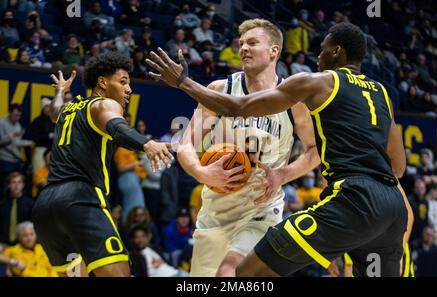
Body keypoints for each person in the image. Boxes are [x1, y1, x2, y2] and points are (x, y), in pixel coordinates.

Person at [147, 22, 410, 276]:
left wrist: (183, 82)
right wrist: (202, 172)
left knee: (237, 273)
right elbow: (398, 167)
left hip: (287, 205)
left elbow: (239, 109)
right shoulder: (382, 93)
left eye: (322, 48)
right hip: (389, 206)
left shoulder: (312, 85)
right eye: (241, 44)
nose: (317, 56)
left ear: (336, 51)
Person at [174, 19, 319, 277]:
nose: (243, 49)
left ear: (274, 50)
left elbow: (314, 151)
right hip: (216, 212)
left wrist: (282, 175)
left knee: (230, 273)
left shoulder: (293, 100)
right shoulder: (221, 89)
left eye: (252, 43)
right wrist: (201, 172)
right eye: (241, 44)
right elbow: (185, 145)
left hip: (261, 209)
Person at [32, 52, 174, 277]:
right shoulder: (103, 104)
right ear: (102, 82)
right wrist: (147, 144)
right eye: (123, 82)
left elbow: (53, 112)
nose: (129, 89)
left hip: (46, 206)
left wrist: (60, 91)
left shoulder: (69, 109)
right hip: (81, 198)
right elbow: (117, 128)